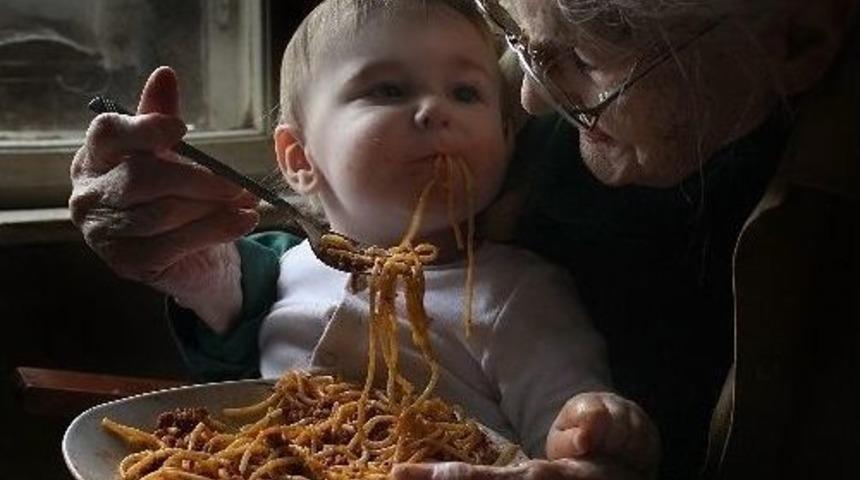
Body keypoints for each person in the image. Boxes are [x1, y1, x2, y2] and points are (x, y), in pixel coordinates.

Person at [69, 0, 859, 478]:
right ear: (298, 160)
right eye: (515, 35)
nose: (529, 99)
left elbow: (569, 408)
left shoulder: (517, 290)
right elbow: (229, 292)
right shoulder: (283, 262)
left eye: (578, 58)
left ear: (798, 39)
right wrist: (178, 247)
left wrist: (596, 430)